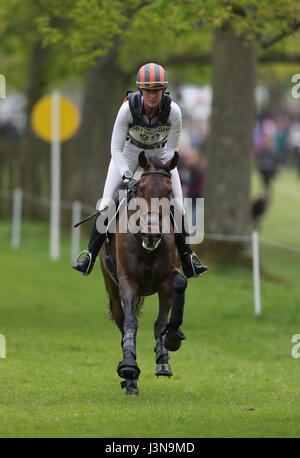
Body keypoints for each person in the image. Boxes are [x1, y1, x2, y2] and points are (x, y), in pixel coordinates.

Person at [72, 63, 208, 278]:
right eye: (147, 91)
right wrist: (127, 174)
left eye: (156, 91)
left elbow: (171, 150)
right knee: (107, 204)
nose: (152, 96)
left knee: (180, 207)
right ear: (140, 90)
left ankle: (189, 257)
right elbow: (115, 148)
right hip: (128, 154)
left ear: (163, 91)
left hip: (160, 156)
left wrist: (158, 172)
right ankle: (89, 254)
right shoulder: (127, 109)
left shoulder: (174, 112)